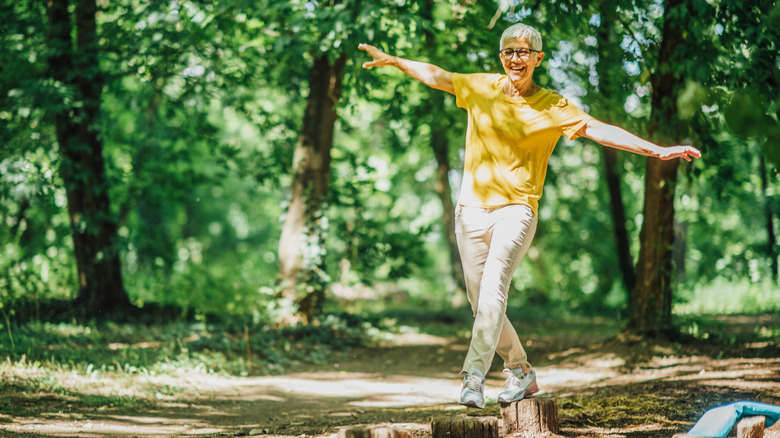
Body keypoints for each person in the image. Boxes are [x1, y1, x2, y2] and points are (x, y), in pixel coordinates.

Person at [359, 23, 701, 409]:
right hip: (470, 211)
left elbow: (599, 129)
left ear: (538, 58)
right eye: (508, 51)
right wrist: (394, 61)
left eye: (523, 52)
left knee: (493, 290)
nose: (514, 58)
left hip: (516, 211)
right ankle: (521, 371)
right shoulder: (481, 87)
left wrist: (657, 151)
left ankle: (473, 377)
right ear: (500, 57)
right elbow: (437, 75)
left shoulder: (553, 106)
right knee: (481, 302)